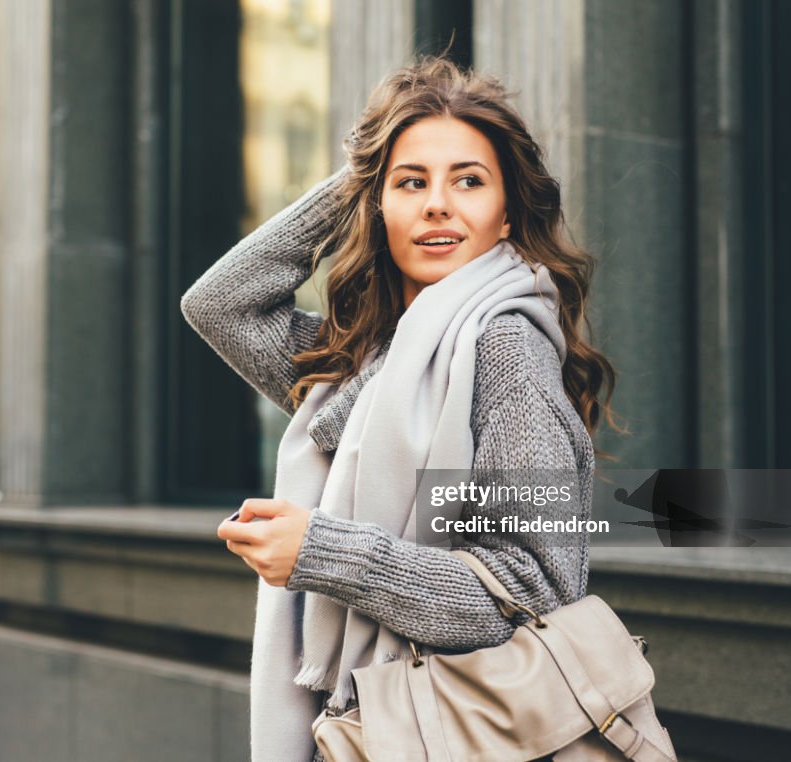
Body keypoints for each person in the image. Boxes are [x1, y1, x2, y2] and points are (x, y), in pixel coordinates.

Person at [181, 56, 617, 762]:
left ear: (507, 213)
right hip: (364, 729)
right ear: (378, 206)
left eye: (468, 181)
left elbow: (535, 588)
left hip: (445, 733)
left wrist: (322, 552)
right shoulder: (366, 363)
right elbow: (221, 305)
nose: (438, 205)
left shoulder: (508, 349)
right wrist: (365, 170)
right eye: (412, 183)